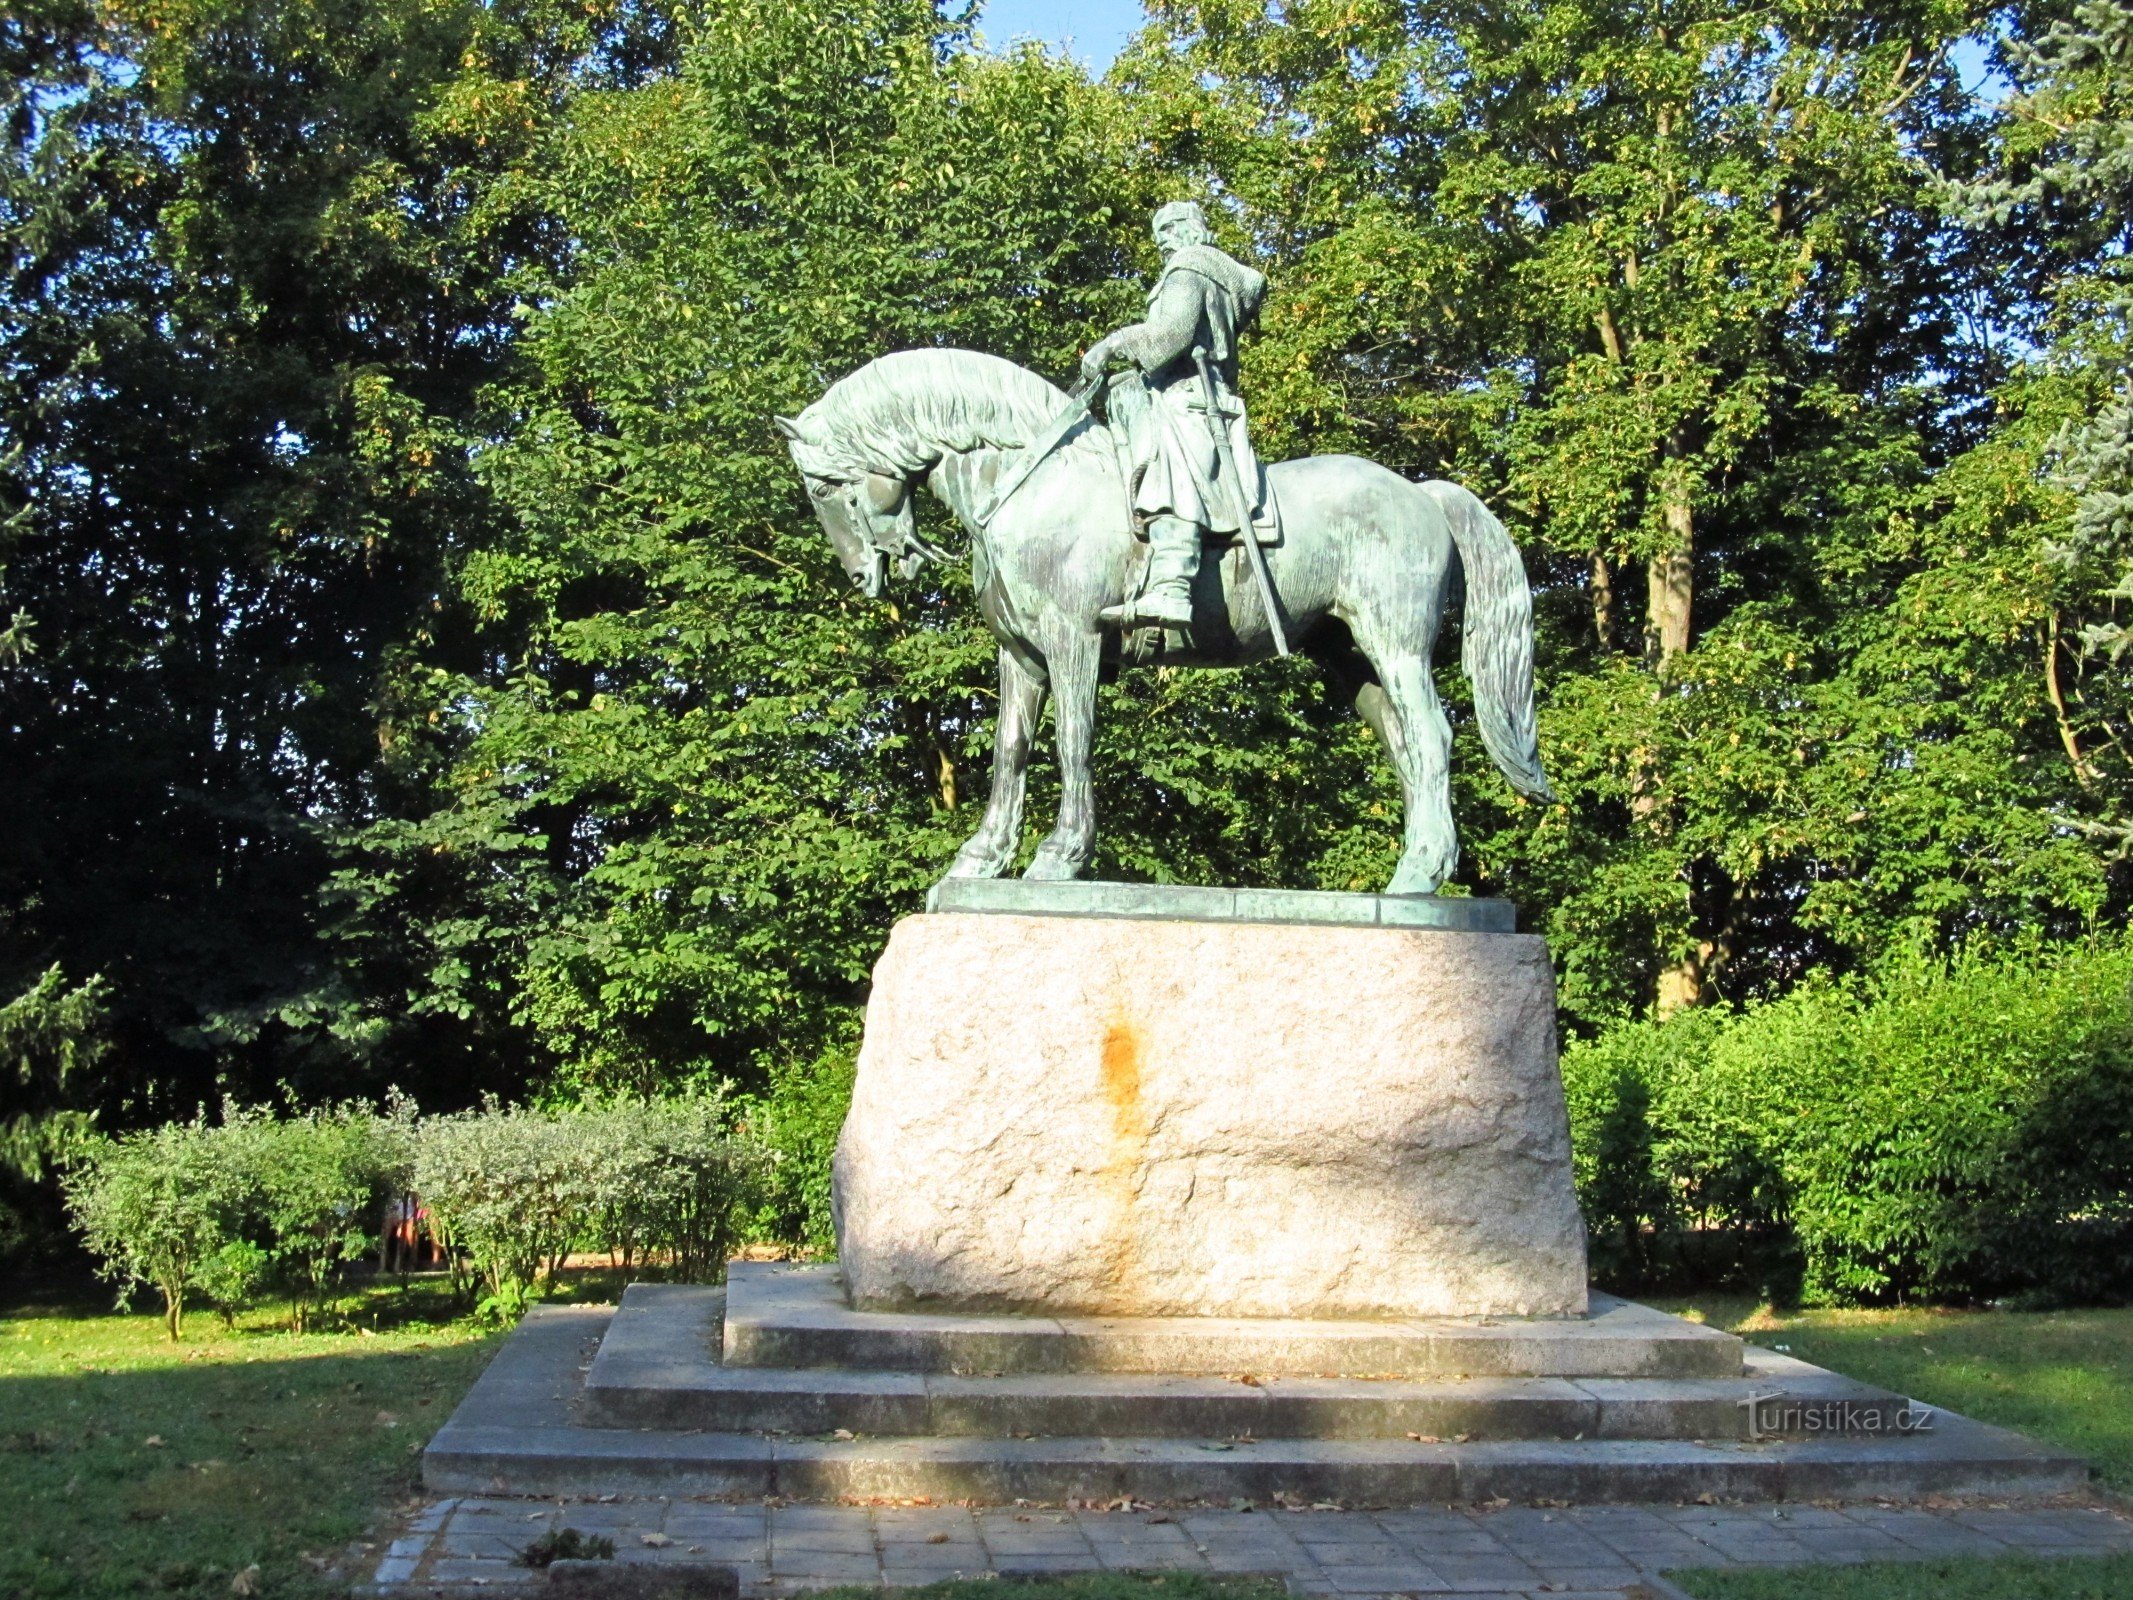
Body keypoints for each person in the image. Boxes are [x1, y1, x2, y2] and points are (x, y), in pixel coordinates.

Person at [1081, 201, 1273, 632]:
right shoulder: (1205, 270)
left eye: (1168, 228)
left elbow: (1172, 335)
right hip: (1188, 394)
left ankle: (1172, 586)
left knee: (1170, 472)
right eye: (1158, 233)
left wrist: (1113, 343)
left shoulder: (1191, 267)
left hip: (1190, 400)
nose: (1162, 241)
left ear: (1191, 228)